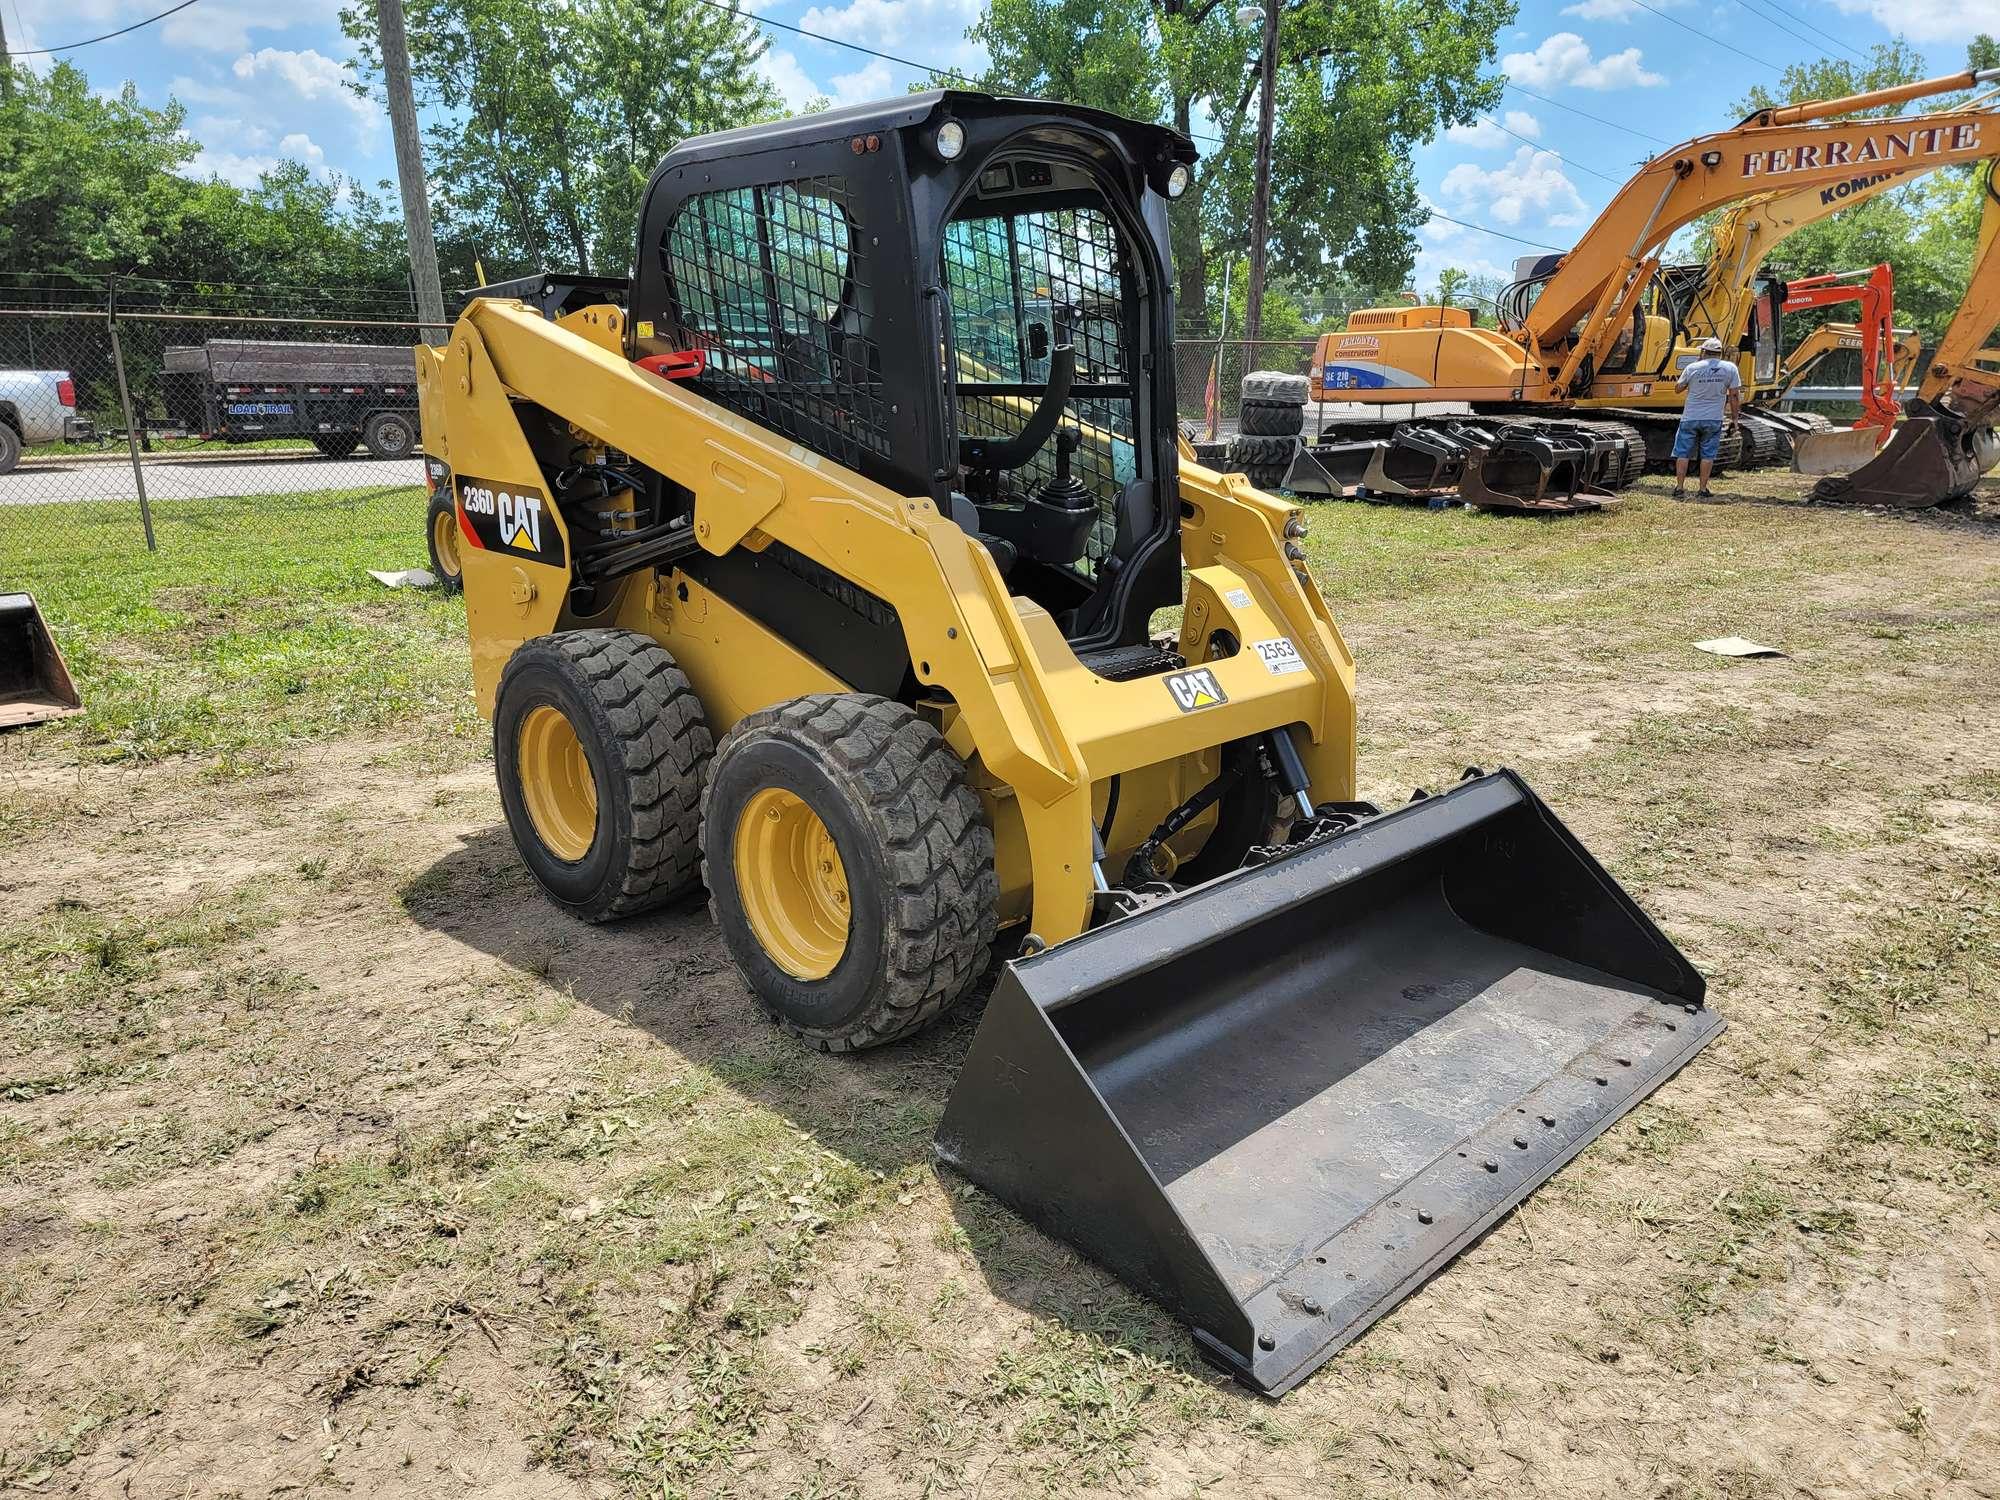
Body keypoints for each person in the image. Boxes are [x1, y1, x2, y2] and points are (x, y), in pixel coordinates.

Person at [1672, 336, 1742, 498]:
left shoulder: (1692, 368)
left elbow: (1678, 388)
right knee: (1707, 455)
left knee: (1683, 453)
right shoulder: (1730, 368)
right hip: (1713, 419)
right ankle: (1703, 489)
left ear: (1703, 351)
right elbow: (1734, 396)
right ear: (1720, 353)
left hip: (1690, 417)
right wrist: (1735, 420)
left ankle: (1680, 487)